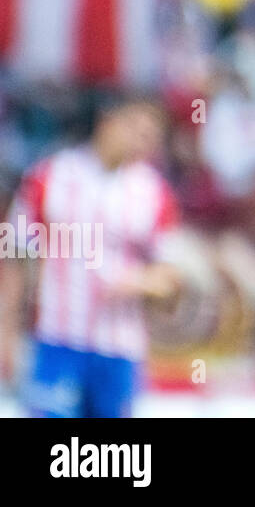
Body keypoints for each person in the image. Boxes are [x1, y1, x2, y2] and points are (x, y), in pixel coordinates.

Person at [0, 91, 182, 417]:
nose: (145, 143)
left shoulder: (154, 193)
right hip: (58, 338)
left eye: (152, 137)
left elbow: (171, 277)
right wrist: (6, 332)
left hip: (120, 347)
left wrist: (143, 283)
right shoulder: (50, 176)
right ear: (107, 122)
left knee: (110, 460)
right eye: (138, 130)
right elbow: (14, 255)